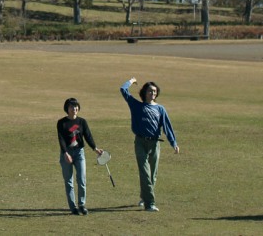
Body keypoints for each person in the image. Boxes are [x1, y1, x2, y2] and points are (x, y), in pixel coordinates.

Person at [119, 77, 180, 212]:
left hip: (155, 144)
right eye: (150, 91)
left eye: (154, 91)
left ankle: (144, 196)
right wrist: (131, 81)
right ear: (144, 93)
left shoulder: (160, 109)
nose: (152, 93)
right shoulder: (136, 105)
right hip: (140, 142)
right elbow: (123, 90)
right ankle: (150, 204)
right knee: (145, 172)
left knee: (153, 174)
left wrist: (173, 143)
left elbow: (167, 127)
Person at [56, 97, 104, 215]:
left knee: (82, 179)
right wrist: (65, 153)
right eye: (72, 106)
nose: (75, 108)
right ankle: (73, 207)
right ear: (67, 108)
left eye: (76, 106)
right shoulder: (61, 123)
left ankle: (82, 204)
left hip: (79, 153)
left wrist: (95, 148)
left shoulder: (82, 122)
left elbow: (88, 136)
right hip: (66, 154)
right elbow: (61, 139)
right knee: (69, 181)